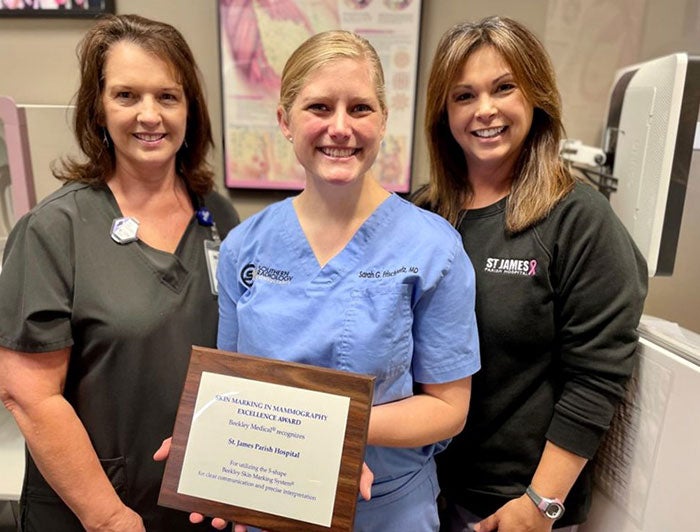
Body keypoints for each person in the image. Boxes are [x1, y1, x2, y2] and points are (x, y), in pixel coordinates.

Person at [214, 30, 480, 531]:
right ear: (284, 121)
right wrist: (203, 450)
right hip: (269, 503)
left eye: (360, 108)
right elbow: (230, 389)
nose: (340, 127)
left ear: (383, 121)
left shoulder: (432, 248)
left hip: (386, 510)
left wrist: (329, 430)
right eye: (318, 107)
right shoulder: (243, 248)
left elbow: (449, 409)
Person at [0, 14, 239, 531]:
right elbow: (28, 395)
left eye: (167, 97)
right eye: (127, 96)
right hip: (94, 512)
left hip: (197, 505)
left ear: (190, 109)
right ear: (99, 109)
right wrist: (108, 517)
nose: (149, 115)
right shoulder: (53, 230)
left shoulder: (219, 217)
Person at [412, 16, 648, 532]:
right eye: (464, 95)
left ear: (535, 96)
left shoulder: (576, 217)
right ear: (443, 112)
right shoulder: (422, 215)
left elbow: (598, 375)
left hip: (512, 508)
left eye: (503, 88)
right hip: (418, 491)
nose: (485, 110)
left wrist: (541, 503)